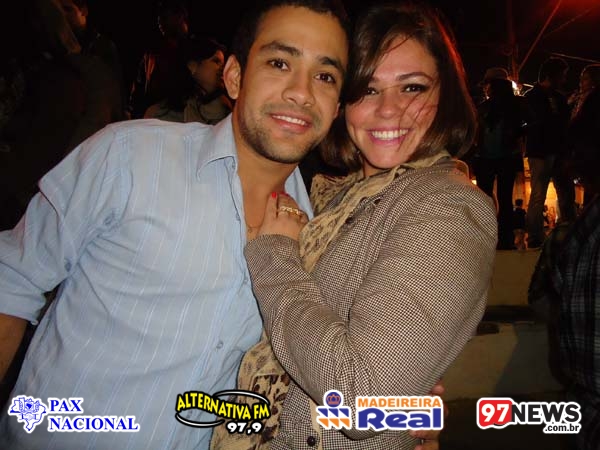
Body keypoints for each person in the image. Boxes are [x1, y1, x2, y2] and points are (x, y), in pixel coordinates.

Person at [0, 0, 350, 448]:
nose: (302, 92)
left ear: (337, 107)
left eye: (325, 76)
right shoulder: (129, 157)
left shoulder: (317, 240)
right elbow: (12, 283)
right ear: (235, 77)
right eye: (280, 63)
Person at [216, 2, 497, 449]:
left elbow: (362, 398)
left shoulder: (448, 206)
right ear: (343, 105)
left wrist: (275, 256)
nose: (388, 110)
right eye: (367, 89)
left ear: (445, 97)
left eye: (412, 88)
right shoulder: (333, 198)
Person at [472, 68, 529, 249]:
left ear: (492, 85)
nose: (485, 88)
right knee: (505, 199)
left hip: (485, 159)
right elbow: (526, 126)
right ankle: (505, 239)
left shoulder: (483, 108)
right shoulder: (516, 105)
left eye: (487, 84)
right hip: (507, 158)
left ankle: (484, 237)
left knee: (484, 199)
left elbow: (476, 135)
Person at [524, 57, 576, 249]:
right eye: (561, 75)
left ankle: (563, 233)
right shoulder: (532, 97)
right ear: (550, 75)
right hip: (541, 151)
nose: (563, 79)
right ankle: (536, 235)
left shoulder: (556, 98)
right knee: (542, 193)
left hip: (554, 151)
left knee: (562, 193)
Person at [144, 35, 232, 124]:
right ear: (192, 66)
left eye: (223, 64)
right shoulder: (158, 115)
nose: (223, 68)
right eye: (216, 61)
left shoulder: (227, 113)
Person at [127, 0, 190, 119]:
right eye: (159, 16)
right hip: (152, 119)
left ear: (180, 16)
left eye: (165, 15)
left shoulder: (196, 52)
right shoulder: (151, 54)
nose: (159, 20)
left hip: (182, 120)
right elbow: (138, 91)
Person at [568, 64, 600, 206]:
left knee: (592, 188)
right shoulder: (580, 98)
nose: (581, 83)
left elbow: (580, 123)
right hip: (587, 148)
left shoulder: (592, 98)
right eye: (581, 79)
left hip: (591, 149)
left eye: (585, 79)